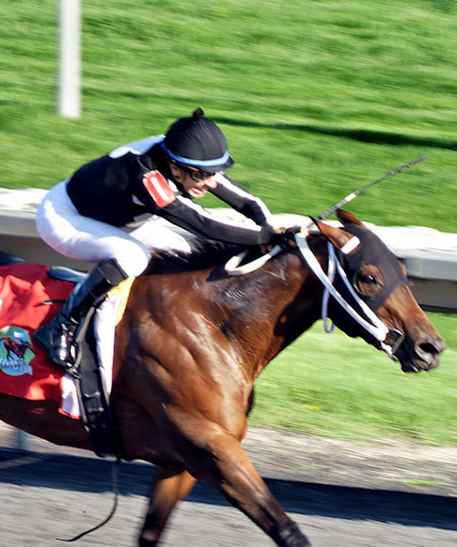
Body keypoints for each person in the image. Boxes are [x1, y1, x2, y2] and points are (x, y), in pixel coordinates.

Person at [33, 108, 282, 373]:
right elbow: (202, 223)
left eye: (213, 173)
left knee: (185, 250)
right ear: (174, 167)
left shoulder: (188, 161)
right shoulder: (146, 176)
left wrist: (269, 227)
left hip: (118, 219)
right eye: (201, 176)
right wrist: (264, 236)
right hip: (64, 217)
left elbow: (246, 201)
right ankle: (60, 327)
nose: (210, 183)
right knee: (132, 256)